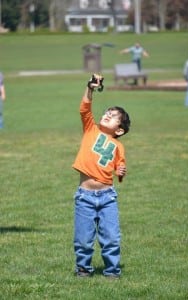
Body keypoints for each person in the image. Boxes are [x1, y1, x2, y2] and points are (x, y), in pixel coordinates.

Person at [72, 74, 131, 279]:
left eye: (113, 116)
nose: (107, 114)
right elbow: (84, 109)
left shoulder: (118, 146)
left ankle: (112, 271)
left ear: (120, 129)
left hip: (107, 198)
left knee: (111, 237)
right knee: (83, 238)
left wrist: (121, 172)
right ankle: (83, 269)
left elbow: (119, 167)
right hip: (84, 197)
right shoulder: (91, 130)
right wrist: (90, 89)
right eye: (107, 112)